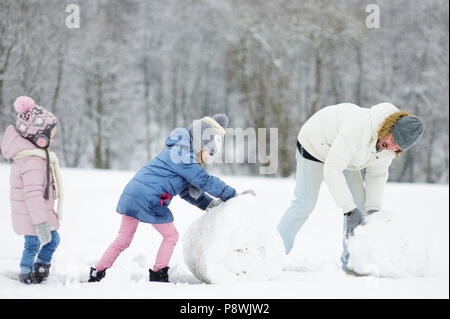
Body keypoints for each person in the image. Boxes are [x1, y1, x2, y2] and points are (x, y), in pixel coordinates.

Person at [89, 114, 252, 283]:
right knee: (171, 236)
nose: (208, 158)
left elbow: (187, 192)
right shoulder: (183, 155)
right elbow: (204, 180)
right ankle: (158, 274)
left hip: (132, 195)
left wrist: (210, 204)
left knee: (123, 239)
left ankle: (97, 272)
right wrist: (232, 195)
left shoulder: (179, 151)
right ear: (201, 143)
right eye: (209, 152)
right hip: (149, 199)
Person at [277, 102, 424, 274]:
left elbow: (377, 175)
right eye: (392, 141)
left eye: (398, 148)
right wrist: (348, 209)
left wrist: (373, 209)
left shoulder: (389, 149)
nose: (391, 148)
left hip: (347, 157)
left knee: (360, 208)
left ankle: (352, 263)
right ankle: (272, 255)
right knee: (304, 203)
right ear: (388, 128)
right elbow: (332, 169)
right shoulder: (359, 128)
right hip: (316, 144)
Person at [1, 96, 63, 284]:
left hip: (36, 213)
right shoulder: (32, 161)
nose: (53, 138)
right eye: (51, 134)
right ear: (39, 137)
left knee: (52, 240)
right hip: (33, 215)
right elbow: (32, 194)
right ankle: (26, 274)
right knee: (33, 244)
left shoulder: (35, 156)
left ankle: (41, 268)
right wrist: (40, 222)